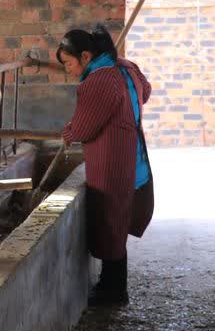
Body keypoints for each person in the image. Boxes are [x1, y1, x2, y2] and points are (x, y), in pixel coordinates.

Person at [57, 25, 154, 306]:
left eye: (69, 63)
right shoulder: (126, 68)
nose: (68, 70)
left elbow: (85, 128)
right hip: (133, 157)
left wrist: (68, 133)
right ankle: (111, 285)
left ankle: (114, 291)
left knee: (111, 221)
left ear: (85, 56)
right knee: (119, 219)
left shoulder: (98, 81)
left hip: (112, 162)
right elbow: (145, 92)